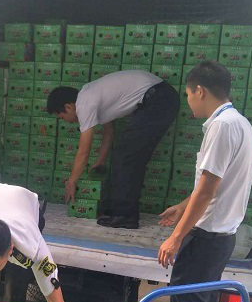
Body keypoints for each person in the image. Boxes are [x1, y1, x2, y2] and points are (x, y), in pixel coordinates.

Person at [158, 61, 252, 302]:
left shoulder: (222, 127)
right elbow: (211, 185)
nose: (188, 102)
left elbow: (208, 188)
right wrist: (181, 207)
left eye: (188, 94)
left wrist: (176, 237)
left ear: (199, 90)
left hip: (206, 239)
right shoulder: (239, 123)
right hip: (220, 238)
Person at [47, 70, 180, 229]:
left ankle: (125, 216)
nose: (66, 122)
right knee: (127, 154)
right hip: (160, 97)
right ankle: (117, 209)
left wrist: (71, 181)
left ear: (68, 107)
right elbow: (109, 132)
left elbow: (83, 151)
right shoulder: (91, 95)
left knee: (126, 156)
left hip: (158, 100)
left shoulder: (84, 104)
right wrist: (100, 161)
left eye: (62, 117)